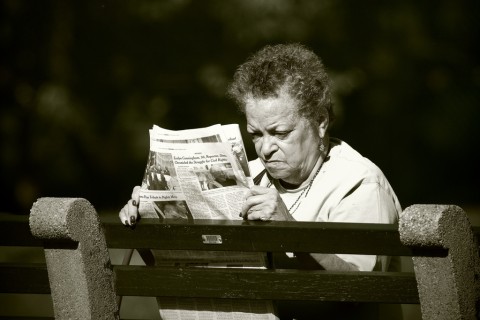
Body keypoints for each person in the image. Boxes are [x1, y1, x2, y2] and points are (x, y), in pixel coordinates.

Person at [119, 43, 402, 318]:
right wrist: (148, 224)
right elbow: (186, 275)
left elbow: (362, 290)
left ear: (320, 120)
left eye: (280, 133)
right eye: (256, 134)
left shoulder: (359, 182)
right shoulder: (247, 175)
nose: (265, 149)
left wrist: (287, 228)